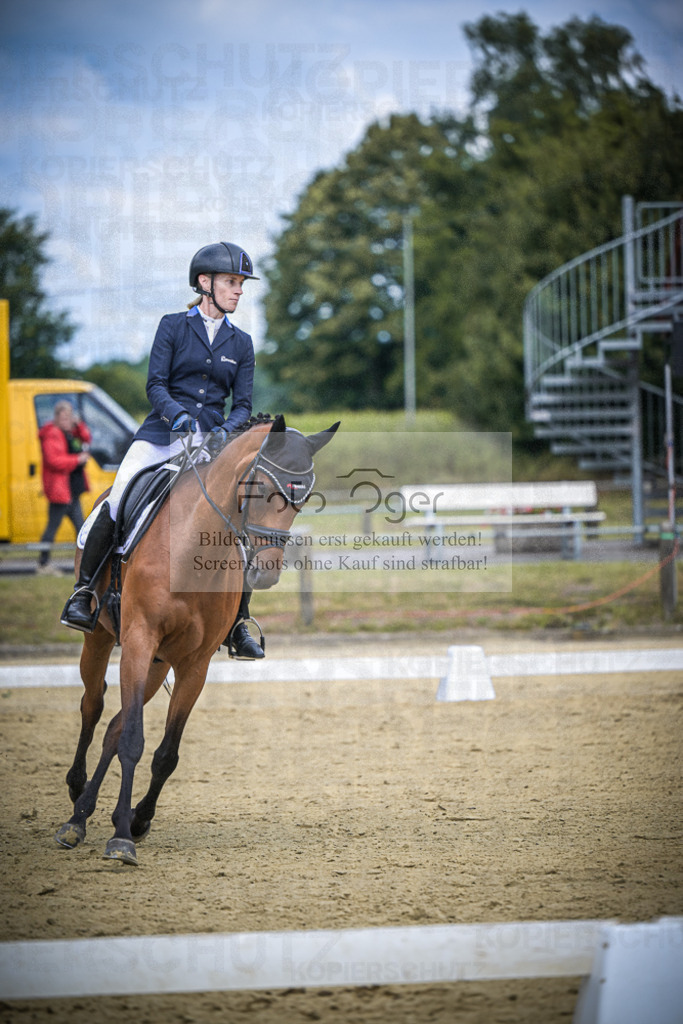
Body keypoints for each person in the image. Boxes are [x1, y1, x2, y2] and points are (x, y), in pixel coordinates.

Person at [61, 242, 265, 658]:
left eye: (241, 283)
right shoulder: (173, 326)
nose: (239, 290)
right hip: (160, 435)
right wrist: (178, 417)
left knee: (238, 524)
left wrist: (224, 432)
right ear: (205, 283)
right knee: (116, 499)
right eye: (231, 282)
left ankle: (238, 622)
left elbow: (243, 405)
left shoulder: (241, 343)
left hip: (210, 445)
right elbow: (155, 384)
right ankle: (84, 593)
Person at [37, 401, 91, 575]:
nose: (68, 420)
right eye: (64, 417)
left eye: (70, 417)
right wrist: (77, 460)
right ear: (56, 418)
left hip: (71, 490)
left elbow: (86, 438)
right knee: (53, 527)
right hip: (60, 490)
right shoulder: (52, 433)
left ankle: (86, 563)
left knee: (81, 528)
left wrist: (78, 425)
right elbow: (53, 460)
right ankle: (43, 564)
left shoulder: (68, 432)